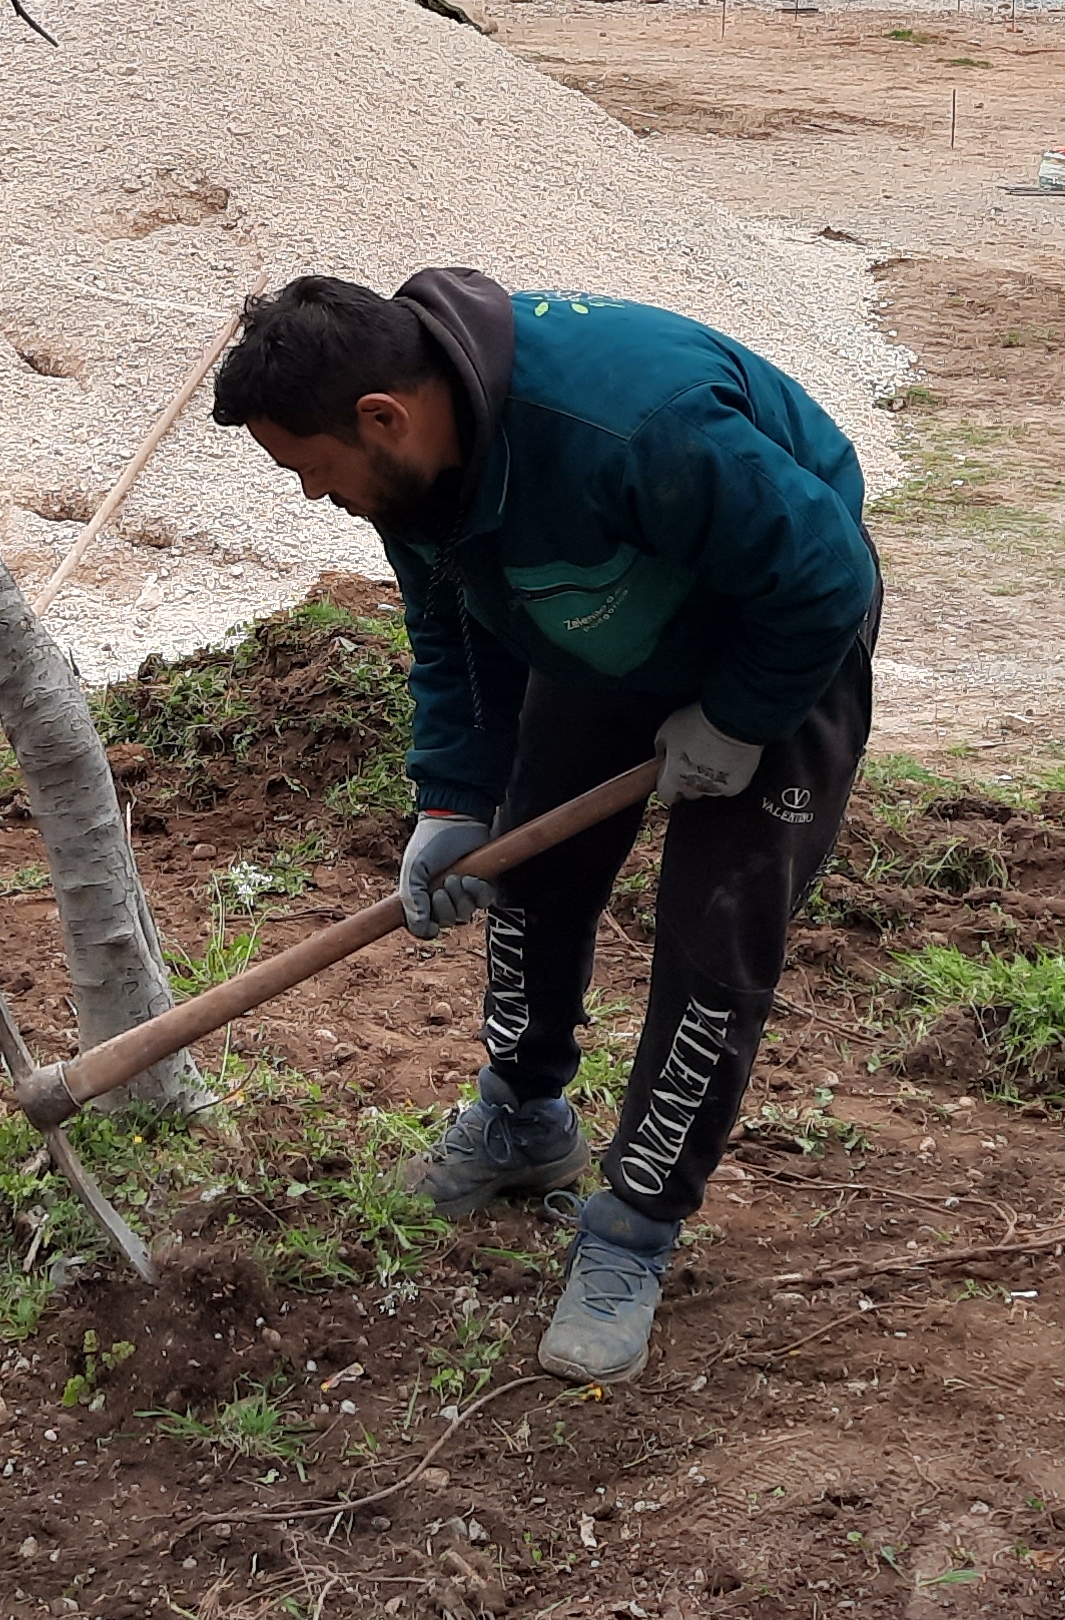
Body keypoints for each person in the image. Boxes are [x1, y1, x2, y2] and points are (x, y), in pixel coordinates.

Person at [212, 269, 880, 1384]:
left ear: (382, 417)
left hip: (777, 632)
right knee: (532, 869)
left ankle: (633, 1232)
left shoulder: (633, 424)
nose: (311, 494)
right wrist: (450, 799)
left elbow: (822, 572)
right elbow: (445, 627)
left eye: (310, 469)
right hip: (598, 610)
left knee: (713, 939)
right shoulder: (413, 475)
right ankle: (523, 1120)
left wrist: (740, 718)